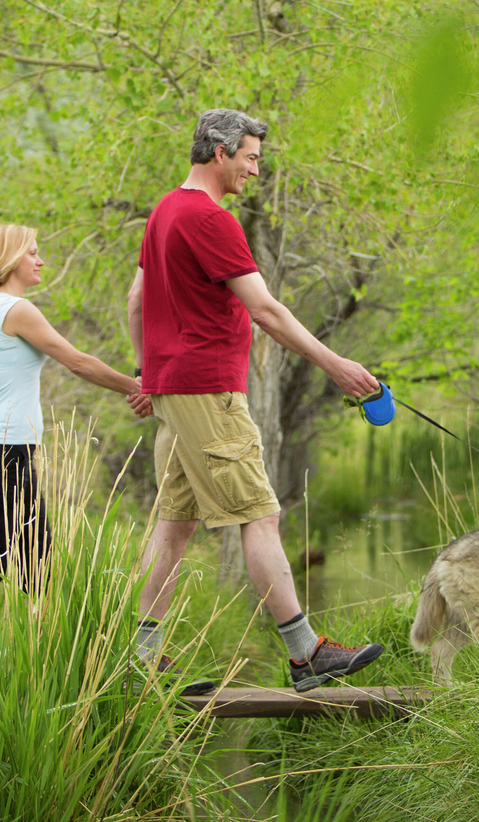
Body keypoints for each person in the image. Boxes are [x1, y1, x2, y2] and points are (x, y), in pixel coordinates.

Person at [125, 108, 385, 694]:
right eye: (251, 158)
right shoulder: (209, 219)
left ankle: (137, 663)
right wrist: (335, 365)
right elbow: (265, 310)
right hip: (210, 391)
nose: (255, 171)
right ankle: (306, 654)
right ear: (219, 152)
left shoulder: (164, 211)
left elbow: (136, 299)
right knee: (261, 516)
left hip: (175, 391)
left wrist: (148, 371)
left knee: (174, 529)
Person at [0, 224, 149, 628]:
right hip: (4, 453)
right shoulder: (16, 310)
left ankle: (40, 657)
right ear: (9, 259)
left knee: (32, 563)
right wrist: (138, 386)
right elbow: (76, 361)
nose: (40, 261)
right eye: (32, 253)